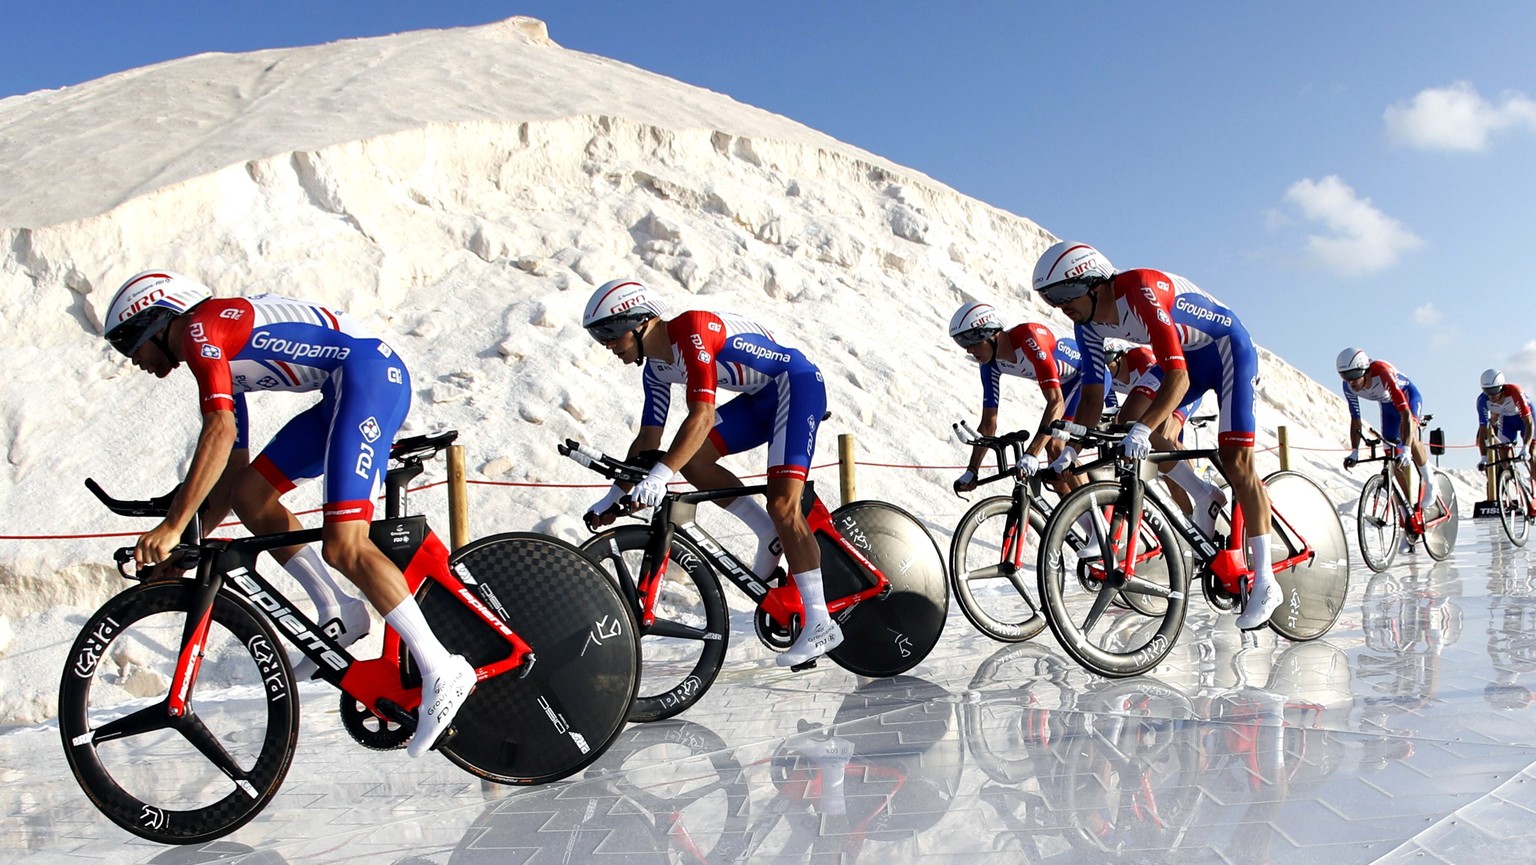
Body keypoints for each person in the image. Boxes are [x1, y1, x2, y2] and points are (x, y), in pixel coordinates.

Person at [103, 270, 473, 758]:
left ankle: (441, 667)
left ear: (153, 321)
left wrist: (171, 525)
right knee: (251, 497)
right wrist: (186, 546)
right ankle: (338, 608)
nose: (135, 361)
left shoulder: (199, 332)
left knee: (346, 544)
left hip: (368, 379)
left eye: (131, 345)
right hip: (343, 389)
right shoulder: (213, 356)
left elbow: (215, 432)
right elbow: (228, 476)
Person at [581, 278, 840, 667]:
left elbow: (700, 416)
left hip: (797, 385)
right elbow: (647, 442)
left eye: (609, 334)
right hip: (759, 399)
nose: (607, 345)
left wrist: (661, 474)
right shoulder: (655, 370)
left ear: (637, 322)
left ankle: (821, 622)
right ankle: (768, 532)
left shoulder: (691, 330)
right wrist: (614, 497)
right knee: (696, 461)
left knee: (783, 503)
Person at [1030, 240, 1276, 630]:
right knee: (1127, 423)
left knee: (1236, 462)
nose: (1060, 305)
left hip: (1227, 349)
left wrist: (1145, 429)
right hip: (1184, 357)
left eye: (1064, 293)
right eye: (1050, 298)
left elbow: (1177, 377)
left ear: (1094, 284)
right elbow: (1093, 394)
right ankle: (1202, 493)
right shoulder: (1086, 326)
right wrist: (1071, 449)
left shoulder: (1140, 289)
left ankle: (1266, 580)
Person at [946, 301, 1113, 494]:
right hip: (1066, 382)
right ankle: (1072, 519)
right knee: (1055, 477)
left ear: (991, 334)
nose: (968, 350)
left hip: (1089, 375)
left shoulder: (1029, 338)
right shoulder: (988, 364)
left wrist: (1032, 454)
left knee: (1055, 446)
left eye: (971, 342)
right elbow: (988, 424)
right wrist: (972, 471)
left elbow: (1056, 402)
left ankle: (1094, 512)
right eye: (962, 343)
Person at [1337, 348, 1439, 527]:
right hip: (1387, 406)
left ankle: (1431, 483)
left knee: (1410, 436)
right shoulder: (1348, 387)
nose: (1351, 381)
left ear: (1366, 369)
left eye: (1354, 375)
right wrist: (1354, 452)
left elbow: (1406, 414)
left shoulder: (1382, 372)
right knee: (1391, 455)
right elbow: (1355, 419)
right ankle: (1407, 515)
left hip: (1408, 399)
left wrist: (1406, 448)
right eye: (1345, 376)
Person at [1476, 368, 1536, 498]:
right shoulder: (1482, 401)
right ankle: (1517, 482)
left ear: (1502, 387)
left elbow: (1529, 422)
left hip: (1526, 419)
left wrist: (1525, 447)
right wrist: (1483, 458)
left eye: (1494, 391)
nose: (1491, 396)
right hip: (1507, 421)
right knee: (1504, 457)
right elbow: (1483, 431)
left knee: (1533, 454)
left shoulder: (1515, 392)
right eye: (1487, 392)